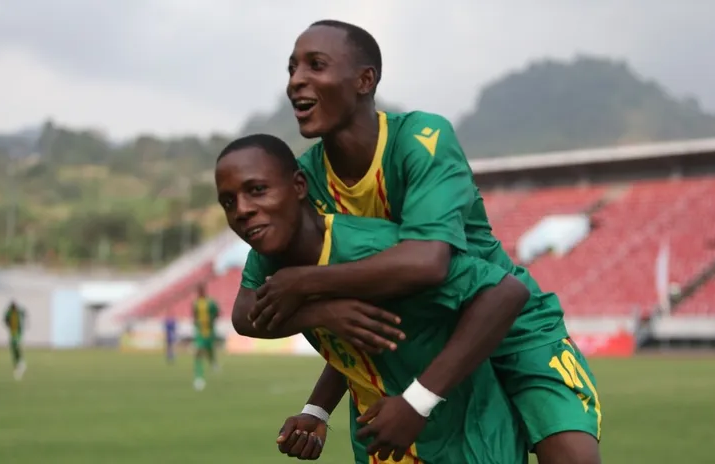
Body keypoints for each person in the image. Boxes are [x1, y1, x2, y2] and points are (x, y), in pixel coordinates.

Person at [237, 20, 602, 464]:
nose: (296, 80)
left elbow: (428, 263)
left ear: (365, 79)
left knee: (573, 457)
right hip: (423, 341)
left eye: (316, 65)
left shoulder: (420, 140)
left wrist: (305, 283)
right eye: (292, 68)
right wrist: (318, 379)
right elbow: (277, 307)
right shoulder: (303, 181)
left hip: (509, 324)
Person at [216, 134, 529, 463]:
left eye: (257, 190)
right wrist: (317, 406)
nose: (242, 211)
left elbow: (505, 291)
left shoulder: (373, 249)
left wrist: (417, 401)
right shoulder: (269, 256)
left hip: (467, 446)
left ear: (298, 186)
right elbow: (245, 317)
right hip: (380, 445)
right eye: (227, 202)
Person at [192, 285, 220, 390]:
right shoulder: (195, 303)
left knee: (209, 350)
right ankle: (199, 378)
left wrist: (212, 320)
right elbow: (194, 315)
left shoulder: (211, 303)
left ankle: (213, 363)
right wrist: (196, 323)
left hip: (209, 332)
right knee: (198, 353)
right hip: (200, 332)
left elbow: (217, 313)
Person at [3, 300, 26, 380]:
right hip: (12, 333)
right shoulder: (10, 312)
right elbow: (5, 318)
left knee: (17, 345)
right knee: (13, 348)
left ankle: (20, 362)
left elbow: (24, 313)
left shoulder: (18, 312)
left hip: (18, 333)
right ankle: (17, 363)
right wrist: (8, 323)